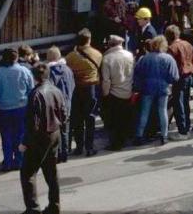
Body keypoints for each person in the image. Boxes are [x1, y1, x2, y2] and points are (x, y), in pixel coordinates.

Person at [19, 64, 66, 214]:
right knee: (51, 172)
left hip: (40, 137)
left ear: (34, 77)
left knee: (27, 173)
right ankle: (55, 206)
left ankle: (33, 209)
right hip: (54, 133)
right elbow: (64, 114)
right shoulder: (56, 90)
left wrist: (25, 143)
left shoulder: (35, 94)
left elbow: (33, 123)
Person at [0, 48, 34, 171]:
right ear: (16, 58)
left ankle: (7, 162)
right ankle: (19, 160)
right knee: (20, 136)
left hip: (3, 108)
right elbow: (31, 89)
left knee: (6, 136)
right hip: (21, 107)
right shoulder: (25, 71)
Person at [133, 35, 179, 145]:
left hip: (147, 88)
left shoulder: (144, 58)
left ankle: (139, 135)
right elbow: (174, 76)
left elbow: (137, 74)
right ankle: (164, 136)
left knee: (144, 112)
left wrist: (139, 86)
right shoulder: (168, 58)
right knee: (162, 111)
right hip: (163, 87)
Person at [65, 29, 102, 157]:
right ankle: (90, 147)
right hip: (91, 88)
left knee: (77, 119)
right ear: (89, 40)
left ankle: (79, 147)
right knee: (90, 118)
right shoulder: (97, 54)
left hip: (76, 89)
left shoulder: (70, 57)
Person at [100, 35, 134, 151]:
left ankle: (115, 144)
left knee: (114, 121)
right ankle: (125, 139)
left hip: (114, 93)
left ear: (110, 44)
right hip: (128, 90)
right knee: (125, 118)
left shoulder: (107, 59)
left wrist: (105, 95)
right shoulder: (129, 55)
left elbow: (106, 80)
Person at [165, 25, 193, 139]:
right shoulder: (187, 44)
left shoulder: (172, 48)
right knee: (186, 103)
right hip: (189, 76)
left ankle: (182, 131)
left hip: (179, 78)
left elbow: (169, 67)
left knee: (178, 104)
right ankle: (187, 127)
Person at [45, 47, 74, 162]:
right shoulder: (68, 70)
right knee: (65, 130)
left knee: (54, 131)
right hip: (67, 103)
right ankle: (65, 154)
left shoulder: (48, 72)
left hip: (53, 106)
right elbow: (73, 85)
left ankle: (56, 155)